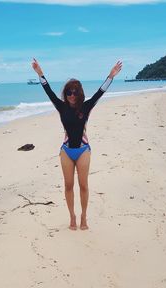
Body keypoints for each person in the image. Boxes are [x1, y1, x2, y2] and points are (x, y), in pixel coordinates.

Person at [31, 58, 122, 230]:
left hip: (82, 150)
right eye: (68, 92)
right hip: (66, 151)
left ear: (79, 93)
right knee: (68, 185)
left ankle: (84, 216)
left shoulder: (86, 107)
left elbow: (100, 92)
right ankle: (72, 216)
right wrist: (40, 74)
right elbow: (48, 91)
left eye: (74, 92)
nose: (71, 95)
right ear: (65, 94)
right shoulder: (61, 107)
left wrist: (111, 76)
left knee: (83, 185)